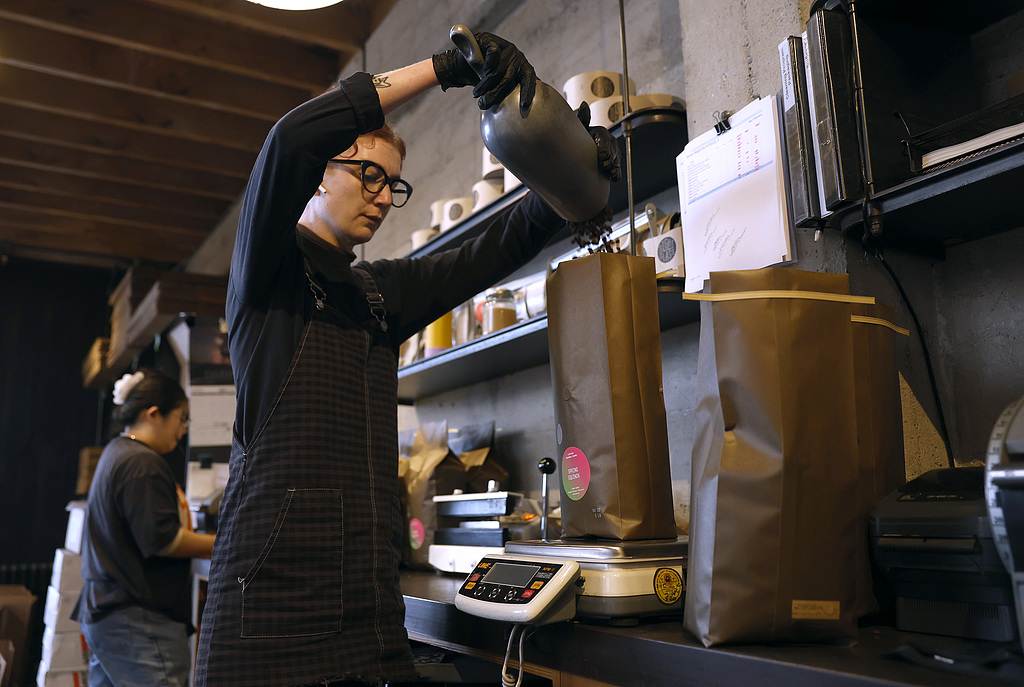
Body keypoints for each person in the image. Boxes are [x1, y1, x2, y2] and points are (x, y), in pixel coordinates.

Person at [194, 29, 619, 687]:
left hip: (369, 618)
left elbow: (489, 250)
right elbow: (290, 139)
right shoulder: (267, 274)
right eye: (367, 174)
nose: (380, 197)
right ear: (315, 177)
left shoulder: (377, 294)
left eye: (391, 185)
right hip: (270, 621)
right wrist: (447, 69)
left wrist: (572, 175)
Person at [74, 369, 216, 687]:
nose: (183, 429)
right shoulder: (142, 463)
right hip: (136, 619)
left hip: (109, 612)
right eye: (181, 418)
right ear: (154, 414)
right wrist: (224, 544)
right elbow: (163, 540)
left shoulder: (117, 452)